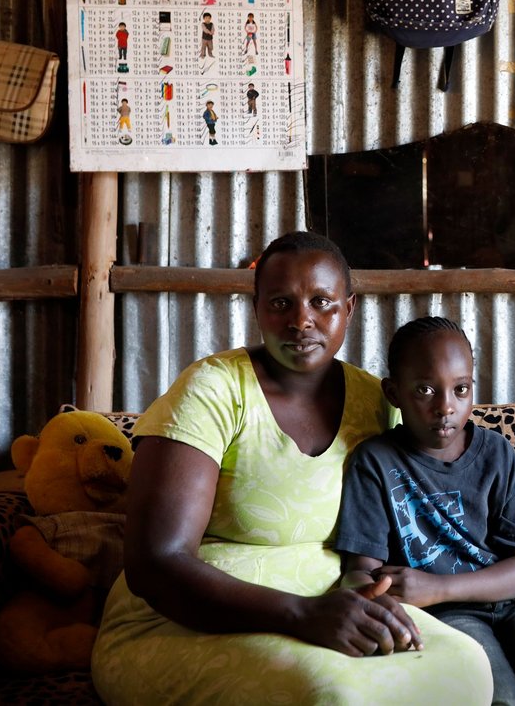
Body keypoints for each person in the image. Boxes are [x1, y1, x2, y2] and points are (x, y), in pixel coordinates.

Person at [92, 233, 493, 706]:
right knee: (329, 695)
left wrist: (367, 599)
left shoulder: (377, 402)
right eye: (281, 303)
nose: (301, 321)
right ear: (257, 308)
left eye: (321, 302)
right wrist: (303, 615)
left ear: (349, 309)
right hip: (187, 622)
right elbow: (155, 564)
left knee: (466, 666)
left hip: (338, 610)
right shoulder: (212, 391)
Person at [335, 316, 515, 706]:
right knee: (501, 699)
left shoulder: (496, 453)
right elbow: (361, 571)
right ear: (393, 392)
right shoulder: (375, 462)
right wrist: (376, 600)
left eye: (461, 389)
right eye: (425, 390)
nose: (446, 407)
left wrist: (437, 586)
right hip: (448, 617)